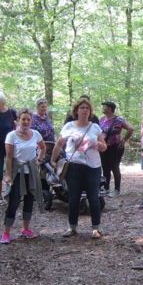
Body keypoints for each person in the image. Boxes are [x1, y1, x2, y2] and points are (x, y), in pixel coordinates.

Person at [51, 97, 107, 239]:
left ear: (90, 112)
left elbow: (104, 146)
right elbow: (59, 144)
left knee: (93, 197)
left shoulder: (95, 127)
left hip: (93, 167)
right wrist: (52, 160)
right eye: (82, 108)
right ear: (76, 111)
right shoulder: (69, 126)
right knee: (73, 197)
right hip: (74, 166)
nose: (84, 110)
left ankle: (96, 228)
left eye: (87, 108)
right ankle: (72, 227)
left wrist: (101, 146)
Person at [0, 109, 46, 244]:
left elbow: (43, 147)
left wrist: (38, 159)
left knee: (29, 200)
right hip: (17, 172)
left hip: (31, 171)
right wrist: (8, 175)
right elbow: (9, 158)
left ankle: (25, 229)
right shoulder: (11, 136)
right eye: (23, 119)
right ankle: (6, 232)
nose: (26, 122)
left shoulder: (35, 134)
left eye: (28, 120)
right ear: (18, 120)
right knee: (14, 202)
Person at [100, 101, 134, 197]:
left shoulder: (118, 120)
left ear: (110, 108)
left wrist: (124, 140)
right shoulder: (101, 119)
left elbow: (131, 128)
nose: (102, 108)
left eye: (104, 106)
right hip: (104, 147)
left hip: (115, 147)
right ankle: (106, 188)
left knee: (114, 167)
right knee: (105, 167)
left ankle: (116, 189)